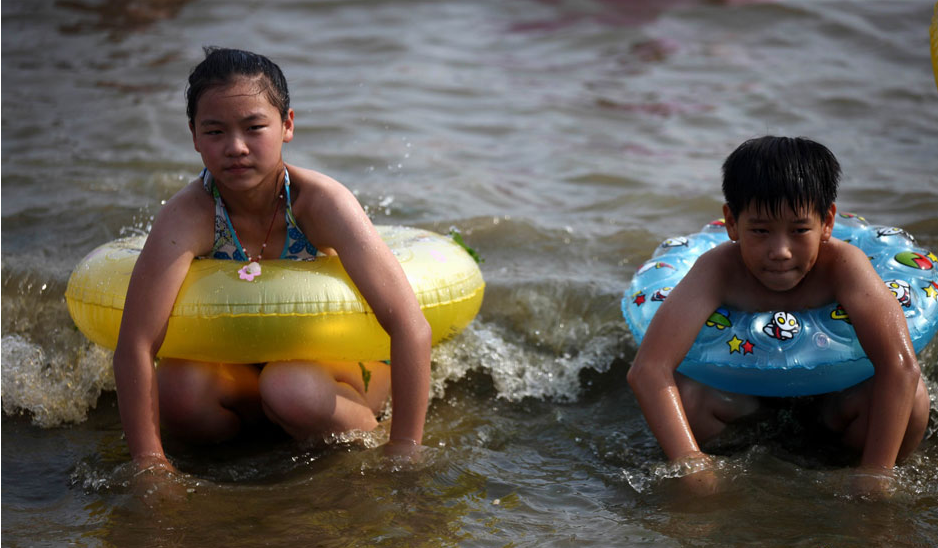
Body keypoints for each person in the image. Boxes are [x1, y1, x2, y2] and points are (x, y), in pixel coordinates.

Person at [113, 47, 432, 478]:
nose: (236, 147)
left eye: (254, 127)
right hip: (243, 377)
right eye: (214, 131)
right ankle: (258, 443)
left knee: (289, 387)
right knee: (179, 392)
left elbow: (410, 325)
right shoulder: (188, 215)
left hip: (332, 375)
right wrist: (150, 465)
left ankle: (364, 433)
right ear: (193, 136)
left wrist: (405, 450)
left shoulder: (320, 205)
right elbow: (135, 342)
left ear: (287, 125)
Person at [626, 136, 930, 495]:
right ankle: (735, 465)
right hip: (744, 410)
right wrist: (688, 461)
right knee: (689, 399)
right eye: (760, 231)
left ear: (827, 222)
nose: (781, 251)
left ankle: (849, 463)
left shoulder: (845, 266)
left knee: (914, 401)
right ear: (731, 223)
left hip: (835, 404)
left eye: (800, 230)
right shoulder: (718, 269)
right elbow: (648, 369)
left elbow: (900, 366)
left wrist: (877, 472)